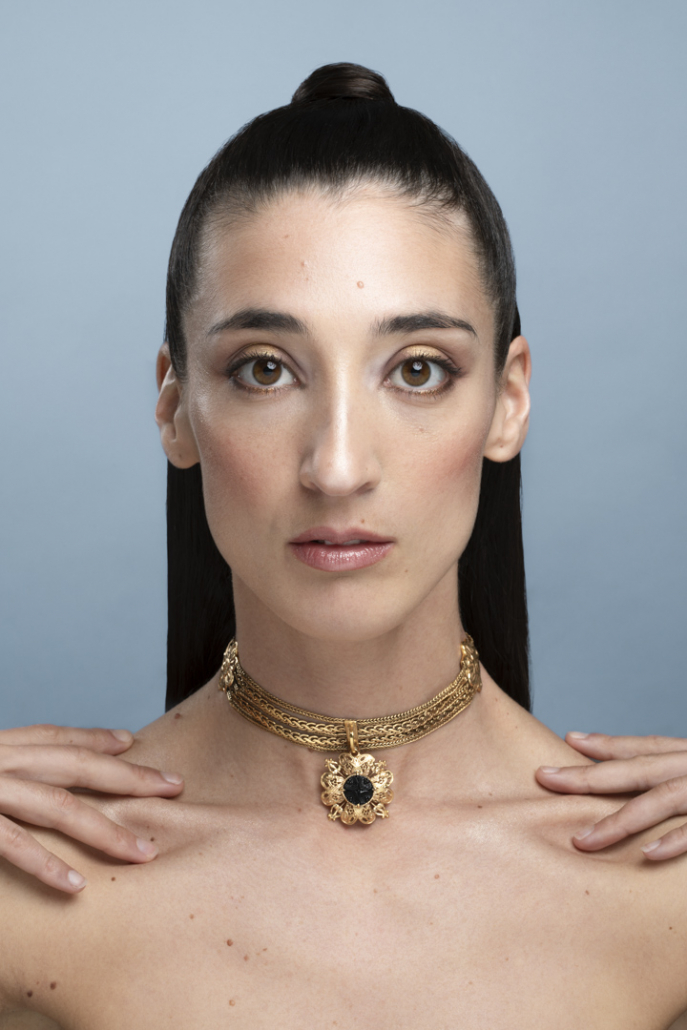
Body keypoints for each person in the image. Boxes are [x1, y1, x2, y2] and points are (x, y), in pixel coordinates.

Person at [1, 63, 686, 1028]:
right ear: (174, 407)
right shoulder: (29, 902)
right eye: (264, 370)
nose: (336, 466)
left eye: (417, 370)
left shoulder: (662, 903)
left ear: (508, 400)